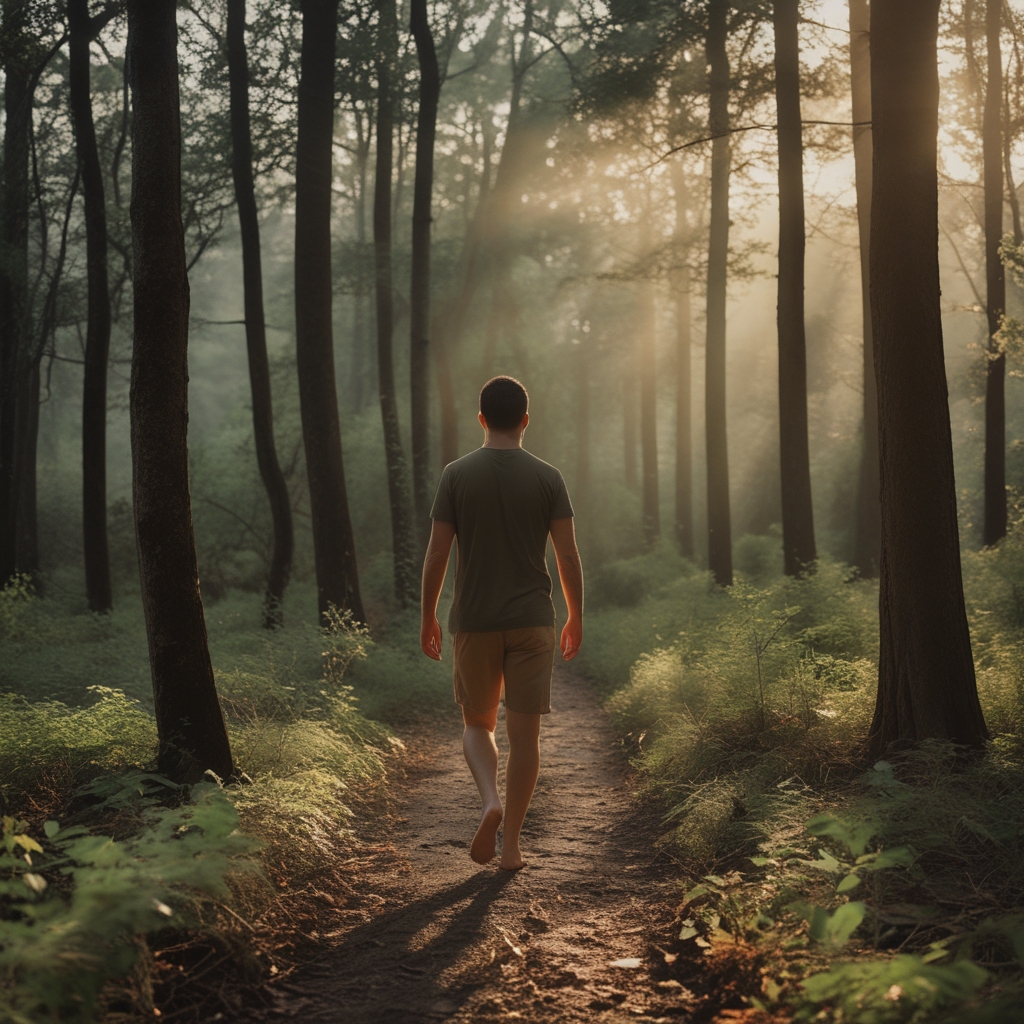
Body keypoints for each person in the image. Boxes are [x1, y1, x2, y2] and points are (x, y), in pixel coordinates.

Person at [420, 376, 584, 871]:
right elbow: (568, 555)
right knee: (525, 737)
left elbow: (437, 554)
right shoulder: (549, 477)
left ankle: (489, 800)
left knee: (478, 723)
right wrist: (576, 615)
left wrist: (428, 615)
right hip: (533, 621)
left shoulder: (455, 475)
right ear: (525, 421)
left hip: (476, 620)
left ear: (482, 419)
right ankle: (511, 846)